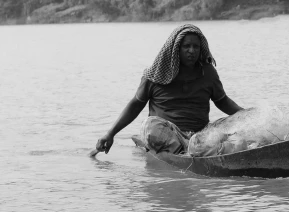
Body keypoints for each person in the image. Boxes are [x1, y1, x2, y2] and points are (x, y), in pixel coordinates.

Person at [95, 24, 243, 154]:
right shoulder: (155, 74)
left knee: (233, 128)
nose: (191, 50)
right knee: (150, 126)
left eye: (196, 47)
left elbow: (222, 101)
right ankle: (189, 151)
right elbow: (135, 105)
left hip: (199, 135)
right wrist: (110, 134)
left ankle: (197, 148)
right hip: (167, 135)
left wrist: (247, 115)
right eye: (186, 46)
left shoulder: (208, 72)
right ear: (176, 49)